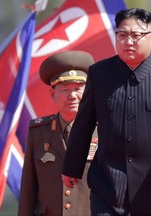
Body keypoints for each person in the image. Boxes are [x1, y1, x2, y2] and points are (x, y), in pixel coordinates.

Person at [62, 8, 151, 216]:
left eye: (136, 35)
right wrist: (71, 166)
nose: (128, 41)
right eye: (122, 35)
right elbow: (84, 123)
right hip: (108, 188)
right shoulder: (99, 73)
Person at [18, 50, 96, 216]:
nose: (73, 96)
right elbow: (28, 190)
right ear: (53, 94)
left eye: (78, 88)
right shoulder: (38, 132)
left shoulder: (103, 129)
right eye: (66, 90)